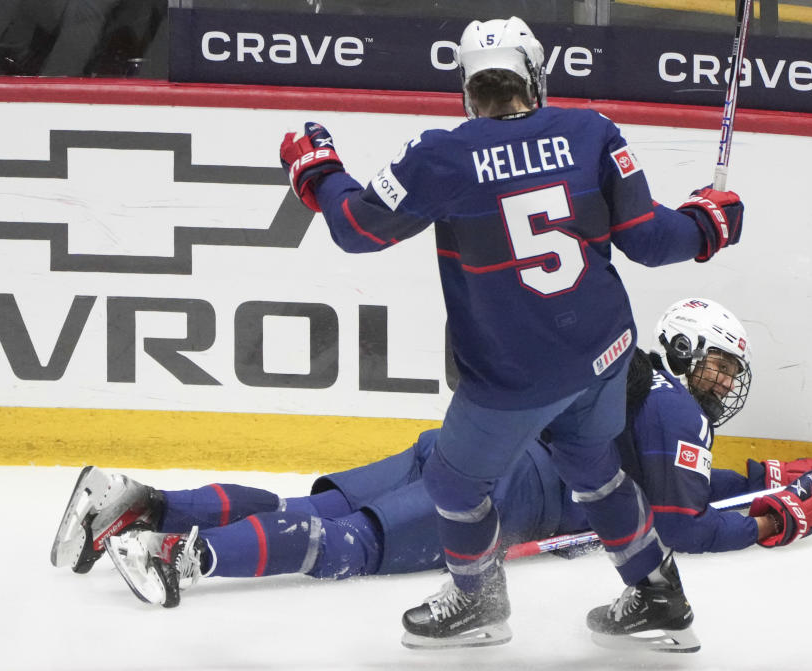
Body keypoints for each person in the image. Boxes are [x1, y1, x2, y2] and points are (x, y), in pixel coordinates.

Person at [276, 15, 744, 649]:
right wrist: (707, 223)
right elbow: (652, 239)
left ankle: (477, 602)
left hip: (514, 376)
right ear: (536, 76)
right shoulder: (591, 132)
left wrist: (318, 171)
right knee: (593, 466)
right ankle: (659, 593)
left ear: (467, 88)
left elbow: (357, 230)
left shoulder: (442, 155)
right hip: (605, 353)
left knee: (452, 482)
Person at [51, 298, 812, 650]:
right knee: (349, 542)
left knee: (306, 499)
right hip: (503, 494)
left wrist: (765, 474)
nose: (717, 382)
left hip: (462, 448)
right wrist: (779, 519)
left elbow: (678, 482)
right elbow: (679, 524)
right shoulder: (676, 408)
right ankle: (179, 556)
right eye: (712, 364)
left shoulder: (641, 383)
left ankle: (149, 503)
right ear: (679, 349)